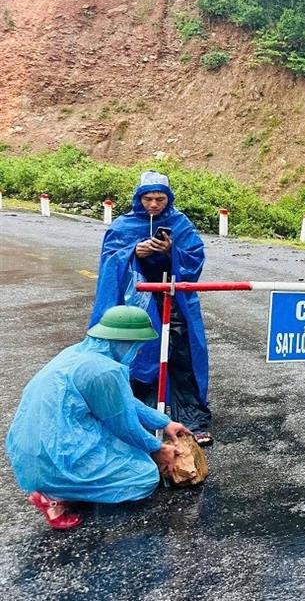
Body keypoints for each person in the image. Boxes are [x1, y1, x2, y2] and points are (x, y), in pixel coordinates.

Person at [5, 306, 191, 530]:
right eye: (137, 345)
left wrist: (163, 422)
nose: (138, 351)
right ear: (123, 341)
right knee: (144, 476)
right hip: (57, 455)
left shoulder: (77, 353)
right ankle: (56, 497)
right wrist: (157, 448)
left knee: (124, 448)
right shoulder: (105, 371)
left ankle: (60, 487)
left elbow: (123, 402)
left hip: (30, 453)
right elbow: (125, 426)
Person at [88, 170, 213, 445]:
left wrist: (170, 252)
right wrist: (134, 252)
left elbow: (194, 260)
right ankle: (137, 421)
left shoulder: (181, 224)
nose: (154, 205)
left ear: (168, 199)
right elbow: (109, 261)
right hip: (136, 302)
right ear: (138, 198)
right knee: (138, 357)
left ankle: (192, 420)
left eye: (159, 199)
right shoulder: (123, 226)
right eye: (148, 199)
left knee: (183, 358)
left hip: (173, 299)